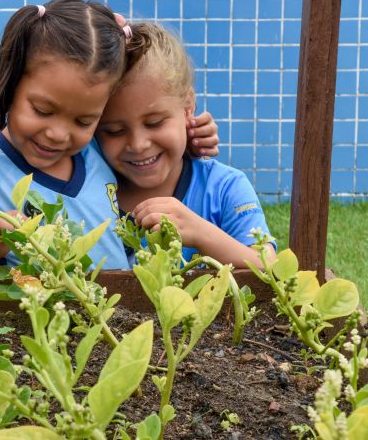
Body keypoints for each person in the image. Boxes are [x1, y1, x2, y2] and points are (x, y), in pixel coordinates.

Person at [0, 0, 218, 272]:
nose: (57, 134)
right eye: (43, 110)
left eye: (84, 120)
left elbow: (139, 140)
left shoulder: (92, 153)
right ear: (13, 83)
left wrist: (193, 135)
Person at [96, 22, 275, 269]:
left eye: (155, 123)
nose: (138, 144)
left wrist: (201, 233)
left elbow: (268, 266)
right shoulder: (88, 192)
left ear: (188, 105)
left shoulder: (225, 189)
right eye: (114, 131)